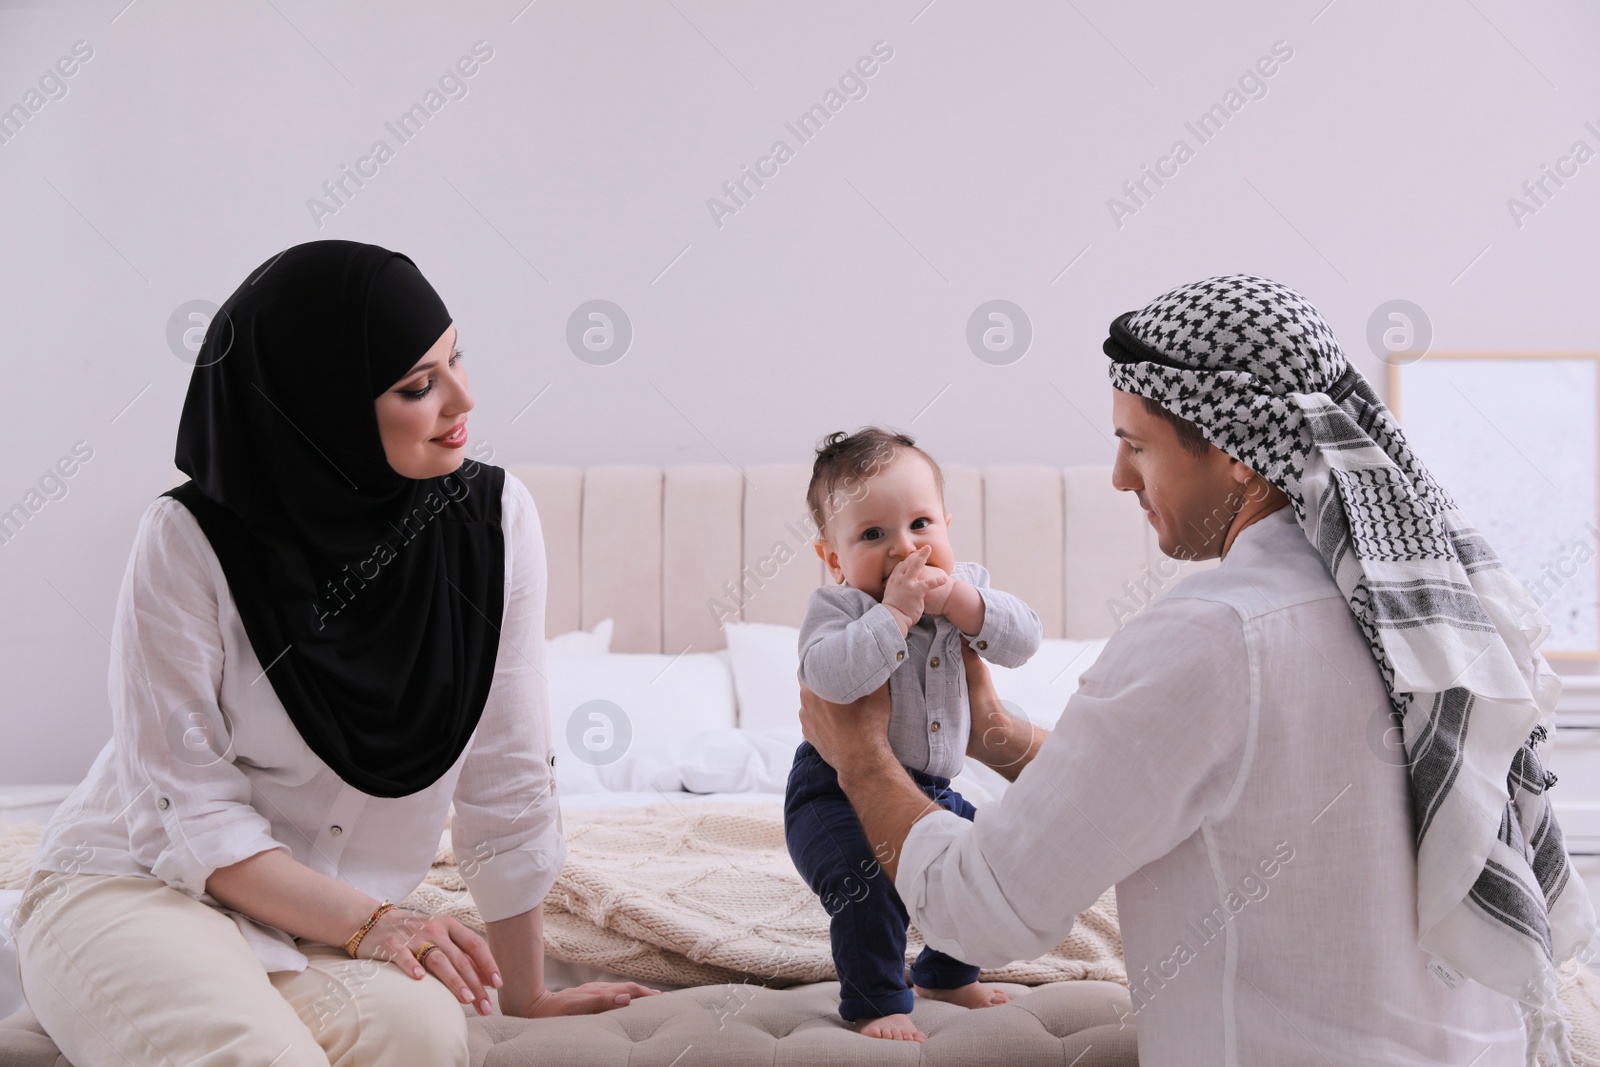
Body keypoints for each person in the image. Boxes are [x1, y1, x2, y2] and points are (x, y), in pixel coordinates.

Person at [797, 275, 1596, 1066]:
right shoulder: (1417, 621)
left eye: (1136, 444)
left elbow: (977, 913)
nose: (1117, 475)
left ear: (1236, 453)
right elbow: (1209, 787)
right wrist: (1001, 735)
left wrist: (862, 759)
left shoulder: (1213, 636)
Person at [12, 240, 657, 1066]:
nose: (463, 399)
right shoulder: (190, 542)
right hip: (138, 886)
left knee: (424, 1035)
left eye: (456, 360)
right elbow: (190, 814)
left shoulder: (492, 526)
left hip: (331, 921)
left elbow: (508, 771)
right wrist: (371, 920)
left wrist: (527, 993)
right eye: (417, 386)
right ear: (323, 406)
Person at [785, 428, 1043, 1041]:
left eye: (921, 524)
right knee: (863, 879)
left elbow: (1025, 638)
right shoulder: (840, 610)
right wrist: (895, 614)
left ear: (947, 525)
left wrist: (963, 602)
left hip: (932, 787)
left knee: (985, 863)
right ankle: (876, 1000)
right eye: (873, 535)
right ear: (834, 558)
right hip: (832, 794)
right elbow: (830, 678)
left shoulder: (965, 588)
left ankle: (946, 974)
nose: (905, 548)